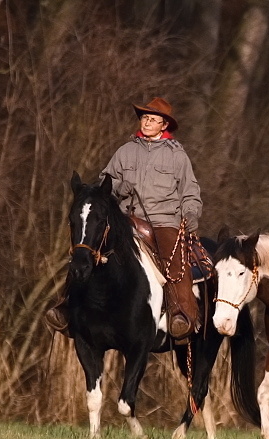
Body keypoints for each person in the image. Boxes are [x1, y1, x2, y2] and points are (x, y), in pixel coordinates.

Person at [46, 97, 204, 341]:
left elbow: (190, 191)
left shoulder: (177, 156)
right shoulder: (125, 151)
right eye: (145, 118)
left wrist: (191, 213)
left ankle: (181, 313)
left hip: (164, 220)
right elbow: (102, 183)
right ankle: (66, 305)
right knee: (87, 247)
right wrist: (120, 185)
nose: (148, 122)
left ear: (164, 125)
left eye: (154, 119)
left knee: (173, 257)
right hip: (126, 217)